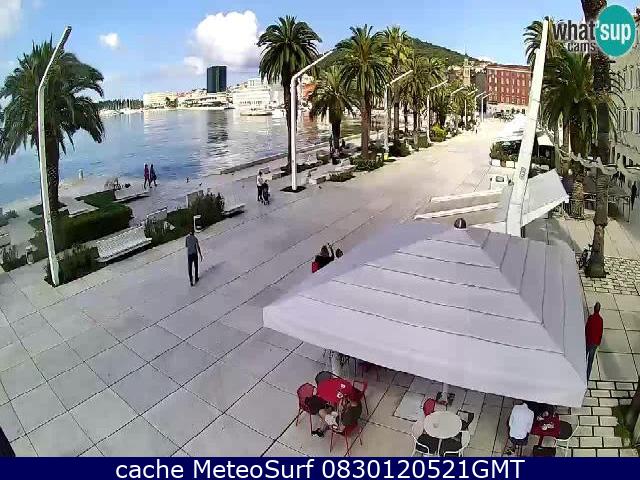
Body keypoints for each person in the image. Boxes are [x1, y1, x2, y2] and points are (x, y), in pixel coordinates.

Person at [586, 302, 604, 380]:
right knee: (590, 362)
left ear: (594, 308)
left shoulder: (591, 318)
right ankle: (587, 377)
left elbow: (587, 329)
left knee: (584, 358)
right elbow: (600, 332)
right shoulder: (601, 320)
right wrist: (598, 343)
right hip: (595, 343)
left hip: (588, 341)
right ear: (599, 310)